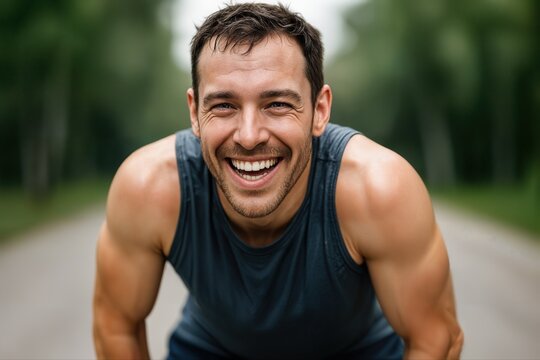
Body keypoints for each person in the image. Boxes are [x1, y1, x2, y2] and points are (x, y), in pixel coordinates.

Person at [92, 2, 463, 359]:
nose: (249, 136)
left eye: (277, 104)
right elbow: (116, 326)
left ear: (319, 111)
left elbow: (435, 339)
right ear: (195, 112)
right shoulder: (150, 187)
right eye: (224, 105)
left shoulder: (378, 188)